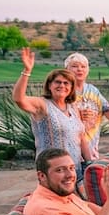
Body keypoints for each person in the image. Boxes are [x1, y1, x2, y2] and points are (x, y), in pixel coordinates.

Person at [12, 47, 90, 179]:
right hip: (53, 172)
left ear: (71, 88)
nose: (62, 85)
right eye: (57, 82)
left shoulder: (72, 107)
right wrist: (27, 71)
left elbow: (81, 138)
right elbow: (19, 99)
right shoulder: (42, 105)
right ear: (49, 85)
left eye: (66, 83)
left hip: (75, 170)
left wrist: (90, 163)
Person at [65, 52, 109, 160]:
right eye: (74, 66)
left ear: (88, 70)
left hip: (92, 150)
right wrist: (76, 115)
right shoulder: (63, 91)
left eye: (83, 66)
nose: (79, 69)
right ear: (66, 69)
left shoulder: (93, 90)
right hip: (68, 151)